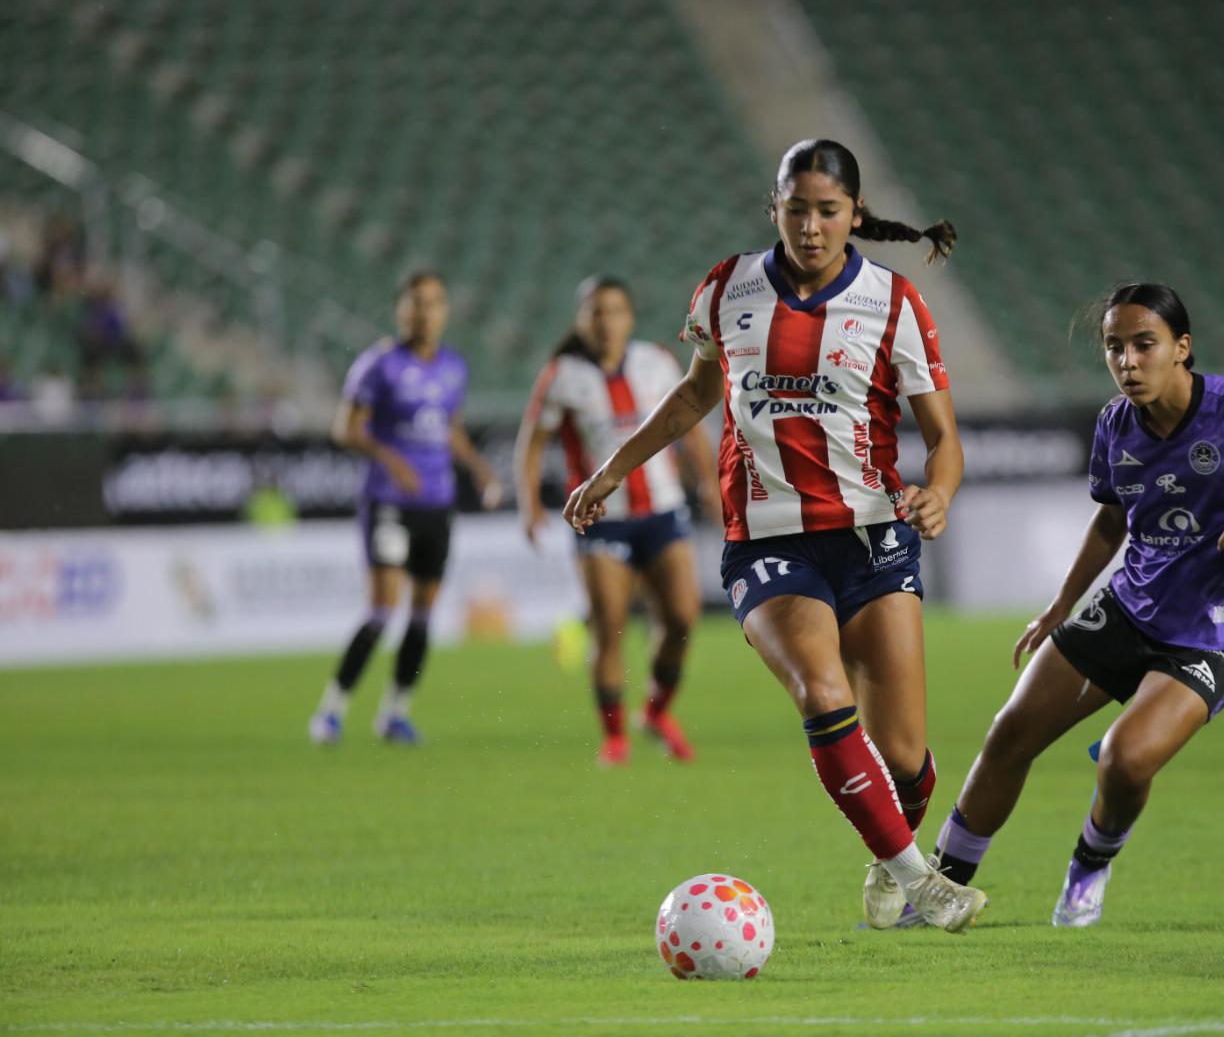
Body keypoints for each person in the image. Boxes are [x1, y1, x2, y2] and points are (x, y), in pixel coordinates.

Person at [562, 138, 987, 933]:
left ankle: (888, 853)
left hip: (872, 539)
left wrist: (941, 492)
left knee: (903, 759)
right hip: (767, 543)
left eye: (828, 211)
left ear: (855, 214)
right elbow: (695, 396)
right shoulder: (727, 287)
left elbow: (945, 437)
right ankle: (922, 882)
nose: (813, 227)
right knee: (823, 695)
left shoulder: (894, 302)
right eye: (797, 210)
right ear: (775, 209)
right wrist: (613, 469)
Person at [926, 282, 1224, 927]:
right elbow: (1113, 521)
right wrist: (1062, 604)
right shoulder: (1115, 422)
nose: (1128, 362)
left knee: (1125, 758)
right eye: (1116, 348)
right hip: (1126, 605)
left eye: (1145, 345)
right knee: (1009, 734)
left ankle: (1090, 864)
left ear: (1181, 348)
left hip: (1212, 631)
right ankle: (938, 891)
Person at [515, 275, 720, 766]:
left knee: (682, 618)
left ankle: (654, 711)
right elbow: (532, 442)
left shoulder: (657, 362)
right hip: (601, 519)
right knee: (610, 627)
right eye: (595, 311)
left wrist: (709, 481)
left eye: (614, 311)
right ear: (580, 319)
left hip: (663, 510)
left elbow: (687, 424)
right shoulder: (561, 375)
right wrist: (529, 503)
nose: (605, 321)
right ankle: (615, 738)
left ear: (630, 317)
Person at [309, 271, 502, 746]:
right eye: (416, 302)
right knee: (382, 609)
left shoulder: (454, 367)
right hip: (389, 502)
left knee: (421, 615)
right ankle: (331, 711)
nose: (424, 312)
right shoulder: (379, 365)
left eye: (434, 302)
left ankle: (395, 713)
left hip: (436, 505)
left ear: (445, 312)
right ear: (400, 310)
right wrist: (393, 461)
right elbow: (346, 428)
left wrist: (478, 467)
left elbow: (448, 427)